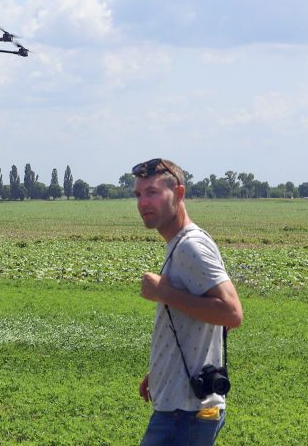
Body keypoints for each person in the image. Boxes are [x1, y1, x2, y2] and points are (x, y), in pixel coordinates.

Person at [133, 158, 243, 446]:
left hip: (188, 413)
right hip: (185, 406)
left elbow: (232, 314)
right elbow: (205, 318)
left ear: (179, 194)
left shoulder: (191, 246)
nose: (144, 202)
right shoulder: (180, 244)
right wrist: (162, 370)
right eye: (139, 194)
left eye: (153, 192)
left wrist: (163, 293)